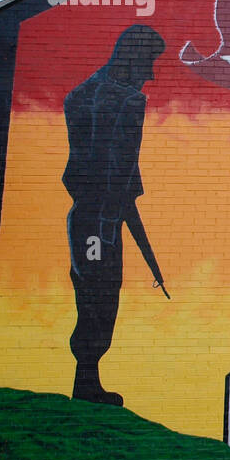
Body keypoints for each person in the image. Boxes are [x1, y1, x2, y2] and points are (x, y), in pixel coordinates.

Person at [62, 24, 167, 405]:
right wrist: (116, 216)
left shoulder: (79, 95)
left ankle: (84, 380)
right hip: (103, 220)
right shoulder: (129, 103)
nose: (151, 73)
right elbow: (121, 169)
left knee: (87, 294)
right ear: (134, 58)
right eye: (149, 62)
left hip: (82, 215)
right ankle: (86, 383)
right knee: (101, 298)